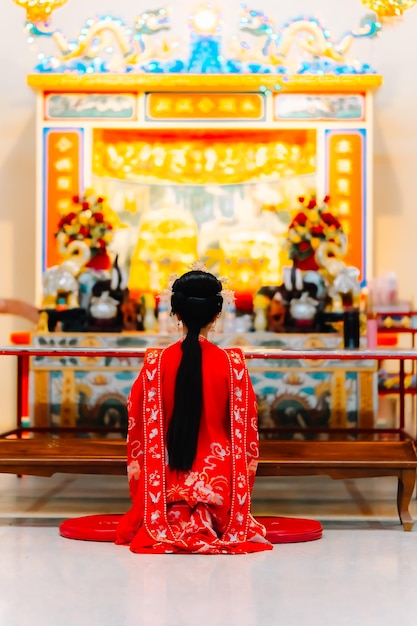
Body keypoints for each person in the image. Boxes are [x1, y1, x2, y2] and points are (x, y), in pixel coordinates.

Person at [115, 269, 273, 554]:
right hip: (220, 489)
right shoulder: (233, 364)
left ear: (176, 313)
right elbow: (246, 427)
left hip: (165, 487)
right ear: (217, 315)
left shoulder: (156, 363)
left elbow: (135, 412)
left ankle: (176, 513)